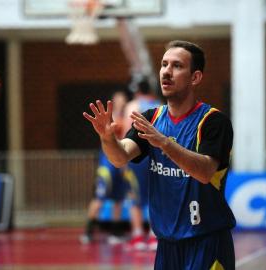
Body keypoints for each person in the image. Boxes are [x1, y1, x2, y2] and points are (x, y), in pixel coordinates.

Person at [83, 40, 236, 269]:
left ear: (195, 77)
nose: (167, 71)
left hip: (207, 242)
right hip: (166, 247)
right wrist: (107, 138)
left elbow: (204, 172)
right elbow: (120, 157)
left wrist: (164, 142)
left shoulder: (213, 122)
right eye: (164, 64)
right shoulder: (151, 118)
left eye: (177, 66)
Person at [80, 90, 130, 244]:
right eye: (118, 99)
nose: (121, 102)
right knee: (99, 197)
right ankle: (88, 231)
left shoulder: (127, 118)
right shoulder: (108, 118)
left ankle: (115, 232)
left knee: (118, 199)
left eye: (123, 100)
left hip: (120, 165)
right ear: (113, 101)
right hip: (107, 166)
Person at [122, 78, 161, 251]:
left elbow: (125, 132)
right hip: (156, 156)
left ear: (137, 91)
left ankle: (138, 235)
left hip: (137, 155)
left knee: (135, 196)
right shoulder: (160, 106)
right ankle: (154, 236)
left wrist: (123, 159)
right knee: (155, 195)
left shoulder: (132, 106)